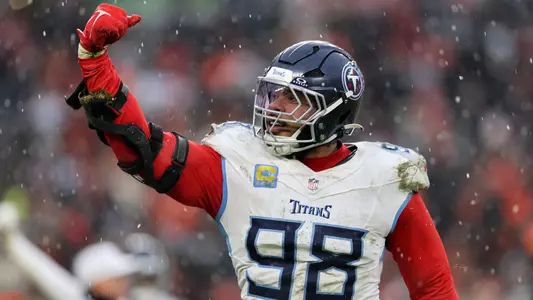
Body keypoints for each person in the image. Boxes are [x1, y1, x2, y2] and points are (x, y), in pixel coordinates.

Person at [67, 4, 459, 299]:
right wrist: (97, 65)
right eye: (274, 94)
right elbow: (146, 152)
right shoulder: (237, 161)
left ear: (333, 112)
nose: (275, 107)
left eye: (294, 99)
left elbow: (434, 287)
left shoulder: (385, 177)